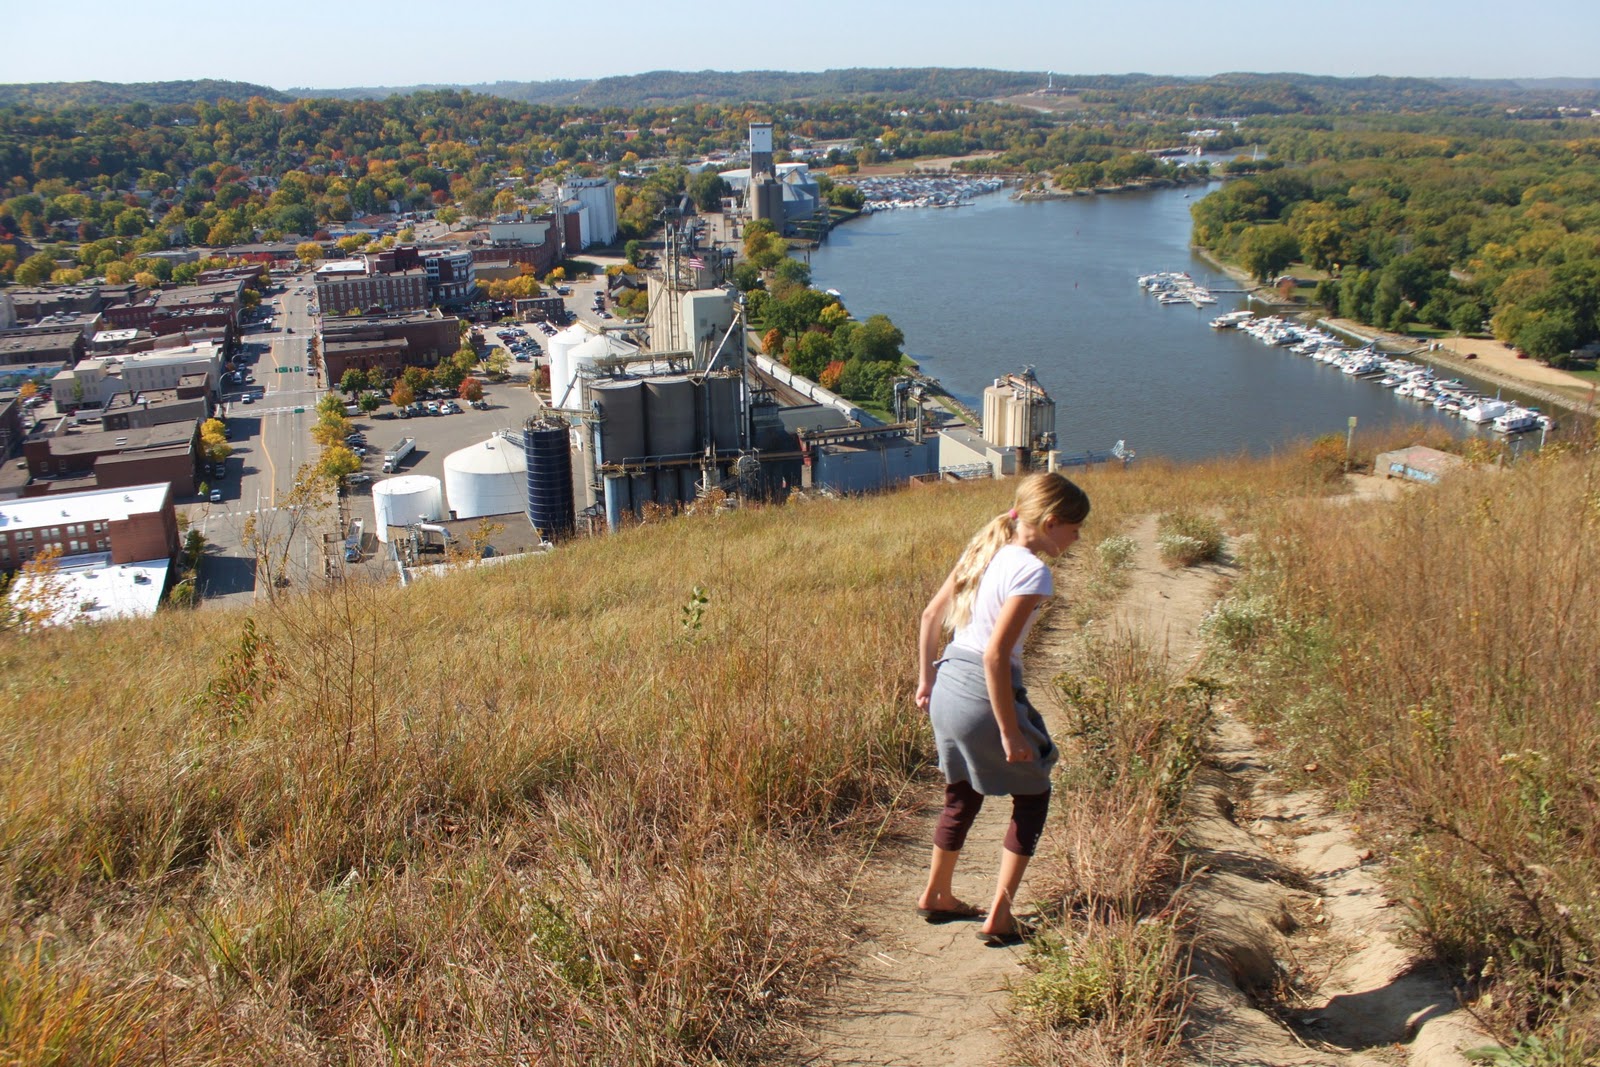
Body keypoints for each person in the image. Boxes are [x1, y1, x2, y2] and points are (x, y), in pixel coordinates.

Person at [914, 472, 1090, 946]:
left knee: (961, 791)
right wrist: (1010, 732)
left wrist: (926, 680)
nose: (1077, 538)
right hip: (981, 690)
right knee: (1033, 793)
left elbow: (930, 616)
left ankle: (937, 893)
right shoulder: (1034, 571)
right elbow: (995, 655)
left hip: (948, 681)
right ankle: (1000, 916)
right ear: (1051, 523)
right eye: (1075, 529)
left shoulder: (986, 548)